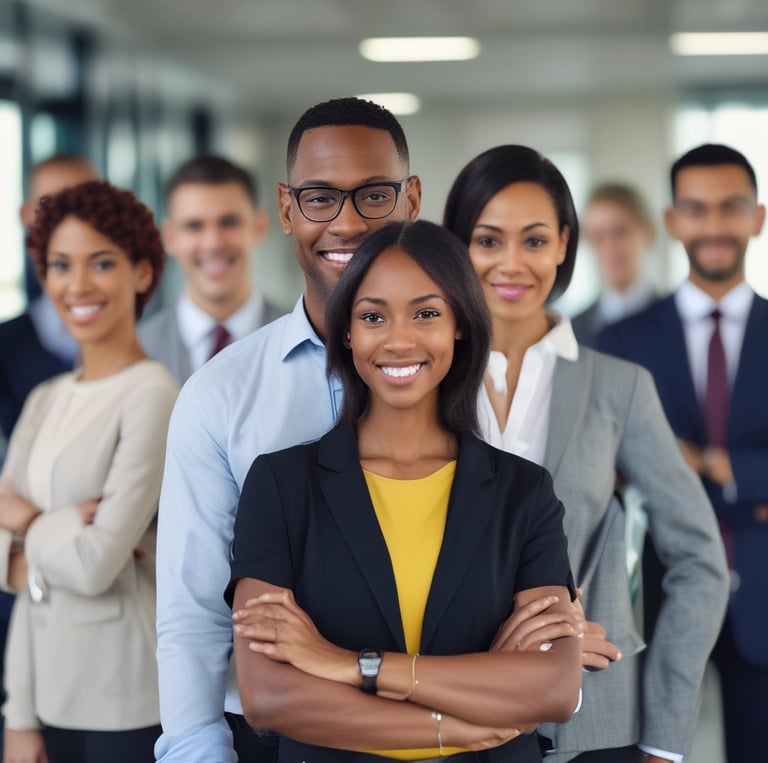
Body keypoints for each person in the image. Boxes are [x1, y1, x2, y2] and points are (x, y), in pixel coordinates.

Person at [228, 219, 582, 762]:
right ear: (346, 331)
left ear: (460, 323)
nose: (399, 340)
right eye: (373, 316)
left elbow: (554, 689)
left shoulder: (524, 493)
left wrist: (351, 665)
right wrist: (454, 728)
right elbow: (269, 697)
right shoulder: (280, 486)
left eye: (426, 314)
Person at [155, 97, 422, 763]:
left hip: (445, 725)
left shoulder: (468, 376)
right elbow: (193, 609)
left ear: (412, 199)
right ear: (284, 210)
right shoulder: (220, 394)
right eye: (320, 199)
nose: (349, 221)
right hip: (272, 739)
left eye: (375, 195)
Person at [443, 144, 729, 763]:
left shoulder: (618, 386)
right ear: (456, 245)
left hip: (592, 723)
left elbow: (700, 559)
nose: (512, 264)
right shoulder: (422, 379)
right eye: (488, 240)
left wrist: (664, 736)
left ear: (566, 244)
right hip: (445, 709)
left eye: (535, 241)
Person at [600, 143, 768, 763]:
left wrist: (702, 463)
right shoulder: (622, 340)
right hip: (657, 596)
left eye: (731, 208)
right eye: (696, 209)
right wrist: (753, 491)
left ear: (758, 217)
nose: (715, 225)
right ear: (672, 222)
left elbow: (655, 467)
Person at [0, 180, 178, 763]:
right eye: (60, 265)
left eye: (101, 263)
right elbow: (32, 583)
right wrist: (18, 717)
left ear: (143, 273)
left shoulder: (153, 395)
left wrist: (25, 523)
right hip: (45, 695)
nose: (77, 285)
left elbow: (96, 564)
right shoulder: (46, 398)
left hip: (123, 700)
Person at [139, 156, 283, 385]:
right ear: (169, 237)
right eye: (194, 225)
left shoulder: (306, 339)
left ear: (259, 227)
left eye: (229, 222)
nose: (213, 243)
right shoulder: (138, 351)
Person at [0, 153, 99, 440]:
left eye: (83, 205)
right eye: (48, 205)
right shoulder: (6, 346)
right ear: (25, 216)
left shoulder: (144, 335)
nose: (67, 221)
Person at [570, 183, 658, 348]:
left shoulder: (678, 319)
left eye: (620, 232)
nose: (609, 247)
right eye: (598, 236)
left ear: (648, 233)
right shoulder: (572, 331)